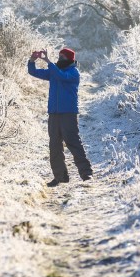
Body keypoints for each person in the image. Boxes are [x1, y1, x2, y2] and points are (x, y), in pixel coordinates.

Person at [28, 46, 93, 186]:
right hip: (54, 114)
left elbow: (60, 76)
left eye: (62, 57)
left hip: (68, 113)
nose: (60, 59)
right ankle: (60, 177)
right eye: (59, 56)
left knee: (73, 143)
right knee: (54, 145)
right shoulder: (54, 71)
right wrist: (32, 60)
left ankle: (86, 174)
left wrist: (48, 61)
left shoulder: (73, 72)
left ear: (69, 59)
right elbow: (32, 71)